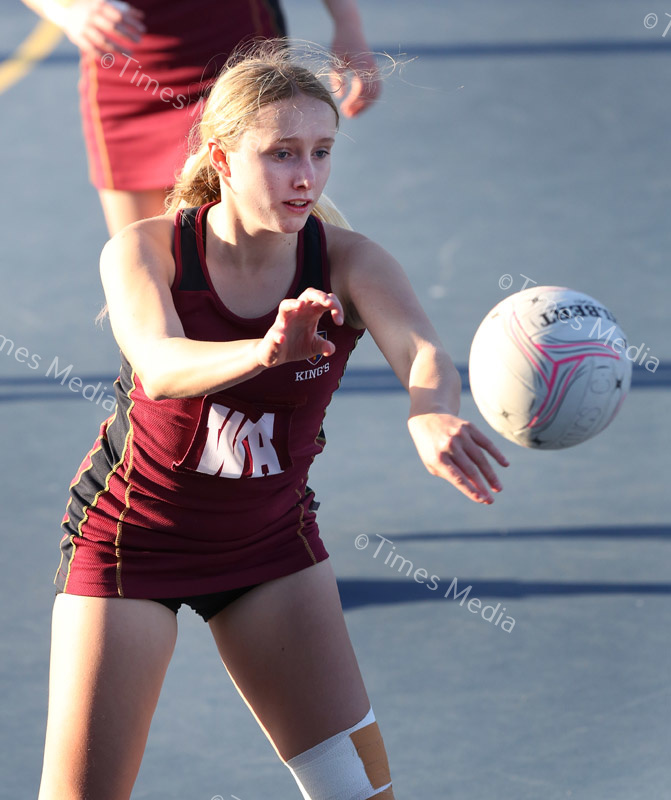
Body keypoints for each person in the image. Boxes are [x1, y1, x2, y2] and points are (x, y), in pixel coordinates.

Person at [38, 42, 508, 800]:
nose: (305, 176)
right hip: (133, 542)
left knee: (359, 793)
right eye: (281, 153)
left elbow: (423, 351)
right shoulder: (147, 249)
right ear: (222, 158)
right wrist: (263, 351)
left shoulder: (350, 262)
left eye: (321, 152)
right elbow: (158, 365)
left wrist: (429, 412)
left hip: (269, 547)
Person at [20, 0, 381, 236]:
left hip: (236, 62)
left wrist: (347, 22)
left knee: (248, 250)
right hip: (126, 72)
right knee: (140, 263)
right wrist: (68, 10)